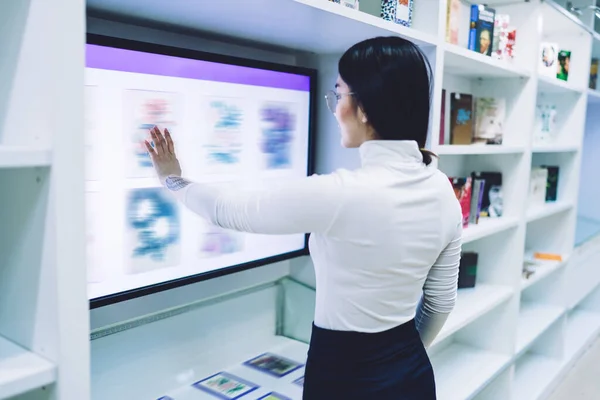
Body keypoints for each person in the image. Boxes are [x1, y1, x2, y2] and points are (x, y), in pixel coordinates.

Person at [144, 36, 462, 400]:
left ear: (364, 110)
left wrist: (172, 179)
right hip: (411, 377)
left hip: (343, 378)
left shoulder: (340, 194)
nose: (334, 106)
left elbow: (230, 209)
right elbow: (440, 303)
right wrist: (397, 360)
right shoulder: (442, 190)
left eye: (339, 94)